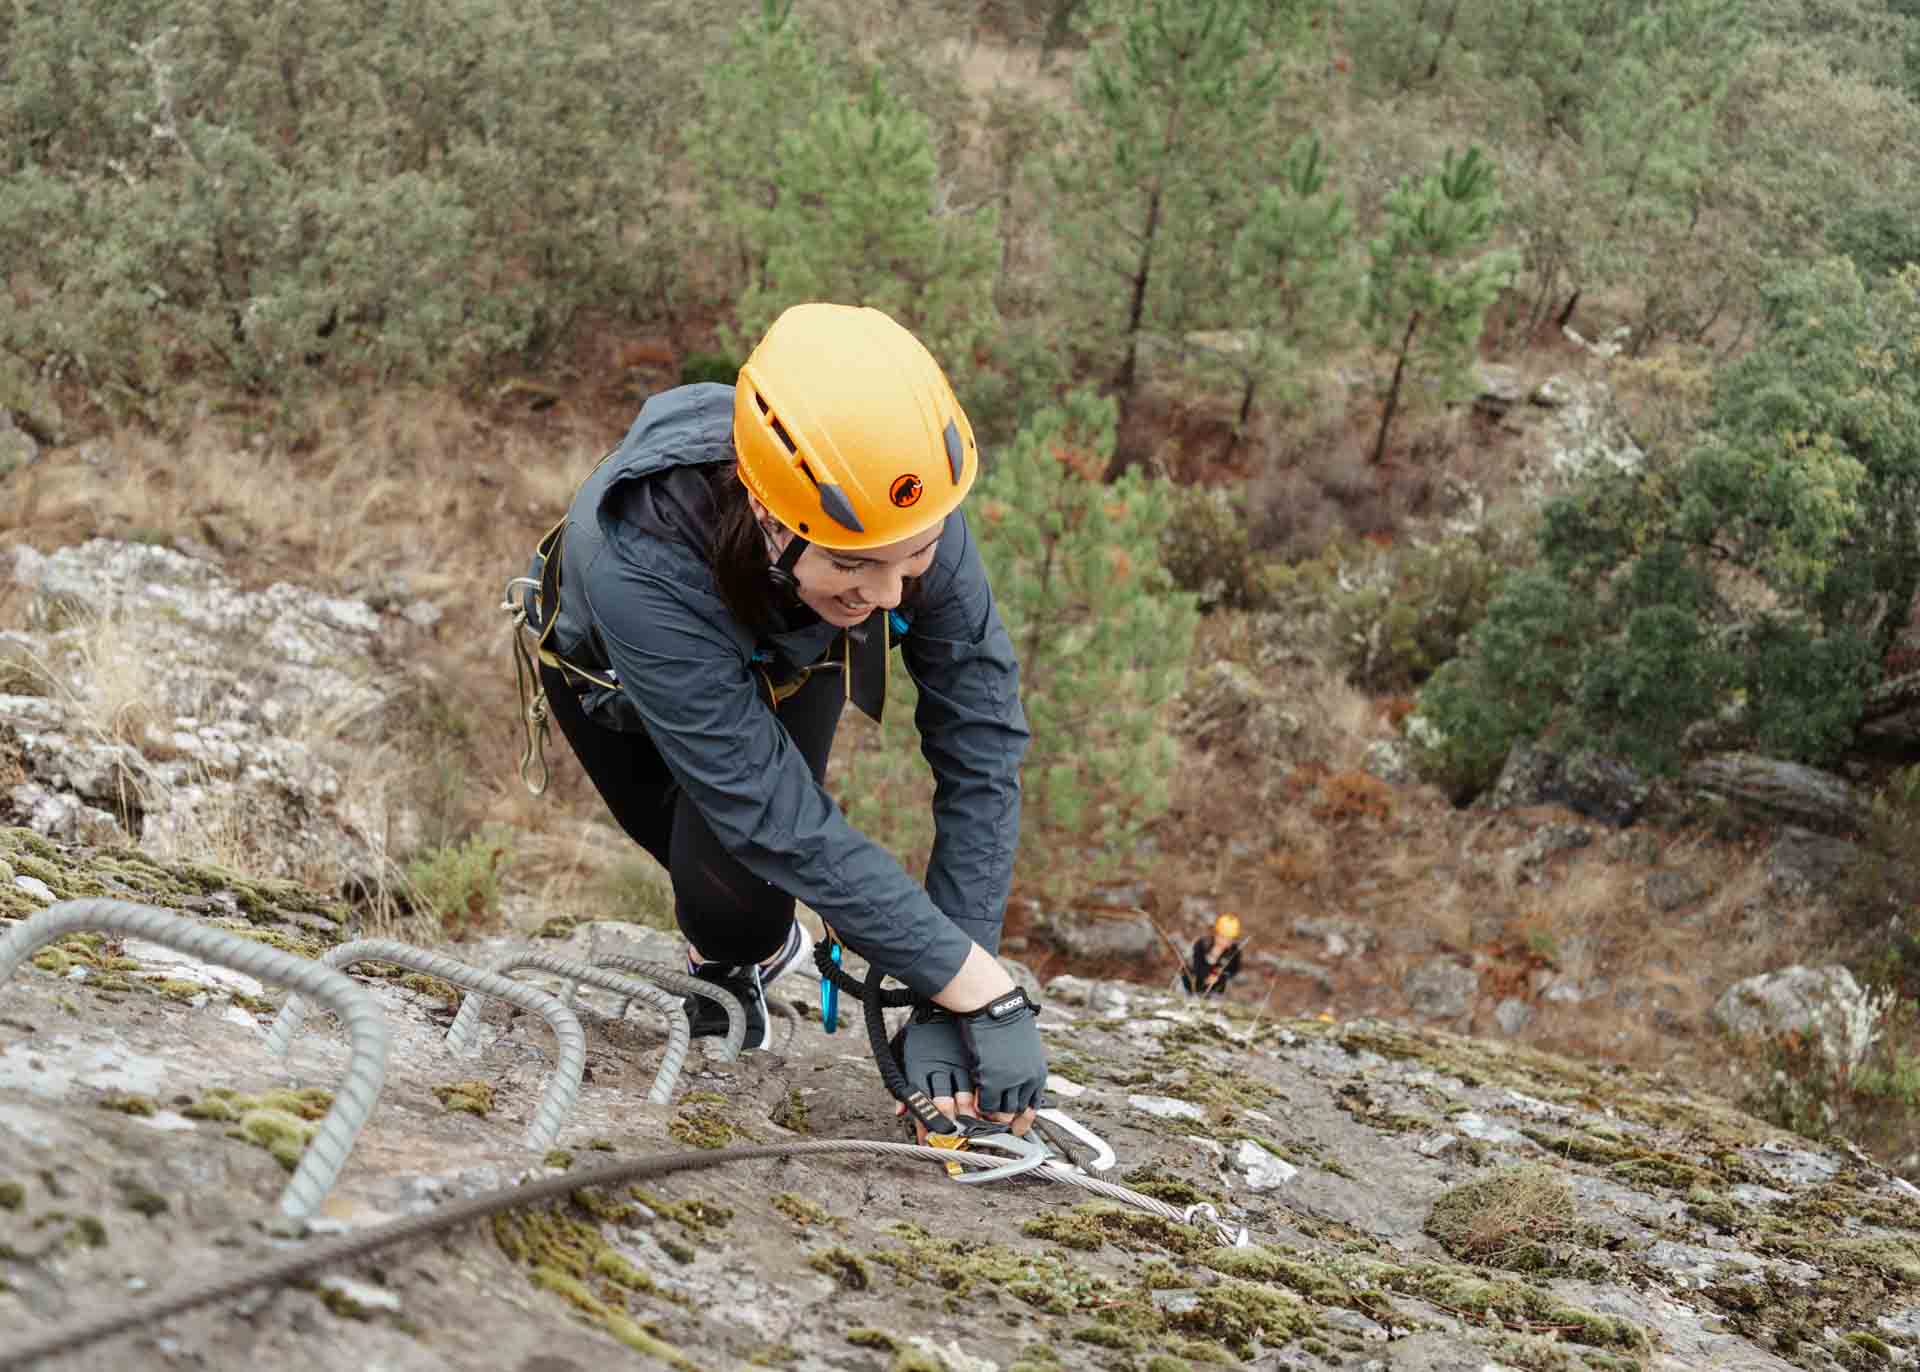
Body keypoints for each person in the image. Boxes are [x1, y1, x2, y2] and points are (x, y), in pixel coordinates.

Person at [519, 302, 1045, 1137]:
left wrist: (953, 992)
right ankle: (731, 950)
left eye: (916, 556)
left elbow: (980, 735)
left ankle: (739, 947)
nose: (890, 594)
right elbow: (770, 813)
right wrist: (975, 985)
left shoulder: (898, 509)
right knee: (732, 886)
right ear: (772, 514)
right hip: (616, 686)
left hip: (789, 649)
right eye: (855, 563)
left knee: (746, 898)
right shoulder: (638, 556)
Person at [1184, 913, 1243, 995]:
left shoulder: (1234, 951)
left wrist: (1221, 976)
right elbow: (1194, 966)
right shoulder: (1202, 945)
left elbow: (1234, 970)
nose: (1225, 943)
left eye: (1230, 940)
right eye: (1223, 937)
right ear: (1216, 934)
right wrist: (1207, 974)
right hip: (1188, 987)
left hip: (1215, 992)